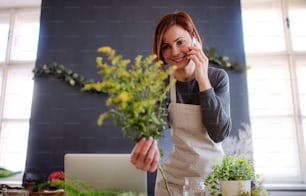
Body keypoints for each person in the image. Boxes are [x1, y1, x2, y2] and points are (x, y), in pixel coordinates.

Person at [130, 11, 232, 195]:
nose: (174, 52)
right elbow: (155, 128)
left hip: (212, 180)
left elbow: (219, 133)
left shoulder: (217, 78)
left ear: (194, 39)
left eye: (180, 42)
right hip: (173, 183)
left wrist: (202, 80)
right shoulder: (161, 83)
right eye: (166, 46)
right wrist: (148, 141)